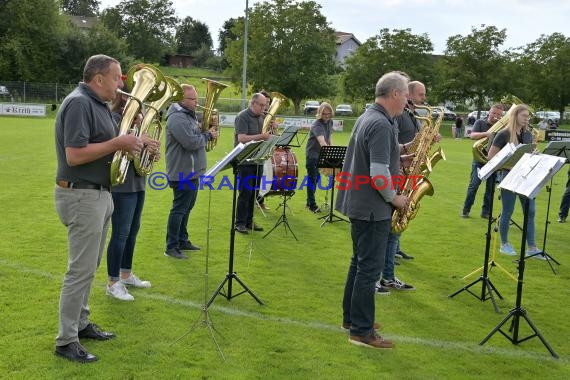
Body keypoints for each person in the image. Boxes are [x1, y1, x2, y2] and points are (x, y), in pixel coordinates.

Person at [54, 54, 143, 363]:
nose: (122, 84)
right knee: (79, 271)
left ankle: (81, 323)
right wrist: (119, 144)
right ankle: (66, 340)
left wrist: (138, 144)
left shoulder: (99, 105)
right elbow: (75, 155)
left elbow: (112, 145)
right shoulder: (79, 103)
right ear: (99, 78)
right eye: (118, 78)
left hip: (99, 194)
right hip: (81, 196)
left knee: (89, 268)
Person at [336, 71, 410, 349]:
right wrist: (395, 199)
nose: (406, 101)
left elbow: (376, 158)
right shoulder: (380, 124)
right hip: (371, 207)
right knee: (369, 269)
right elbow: (378, 173)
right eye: (405, 94)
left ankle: (352, 319)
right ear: (394, 94)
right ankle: (362, 331)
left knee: (359, 264)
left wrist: (400, 155)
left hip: (360, 204)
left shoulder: (369, 117)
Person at [376, 80, 432, 295]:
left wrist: (425, 140)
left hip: (405, 169)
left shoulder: (410, 114)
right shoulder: (390, 118)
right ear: (402, 94)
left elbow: (396, 146)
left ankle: (388, 276)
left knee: (395, 230)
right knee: (389, 230)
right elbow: (381, 158)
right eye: (420, 94)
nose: (423, 98)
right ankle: (382, 277)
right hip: (396, 175)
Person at [105, 87, 159, 301]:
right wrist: (141, 140)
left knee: (133, 231)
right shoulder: (115, 119)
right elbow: (115, 148)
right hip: (121, 183)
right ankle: (112, 281)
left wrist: (151, 152)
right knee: (120, 234)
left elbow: (140, 153)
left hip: (138, 182)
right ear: (123, 98)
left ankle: (125, 274)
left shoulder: (140, 122)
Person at [164, 84, 218, 259]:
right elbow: (190, 142)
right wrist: (208, 135)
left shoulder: (188, 115)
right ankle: (171, 246)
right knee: (179, 209)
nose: (197, 102)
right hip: (182, 172)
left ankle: (182, 240)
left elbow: (195, 135)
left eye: (196, 99)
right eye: (193, 99)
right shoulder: (177, 118)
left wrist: (206, 127)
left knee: (187, 207)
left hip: (192, 171)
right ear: (181, 99)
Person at [487, 104, 542, 259]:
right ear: (515, 116)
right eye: (524, 116)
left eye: (528, 116)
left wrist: (534, 155)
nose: (527, 119)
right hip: (508, 176)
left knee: (530, 212)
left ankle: (532, 247)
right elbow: (490, 158)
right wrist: (509, 157)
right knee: (508, 211)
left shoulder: (528, 135)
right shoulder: (503, 134)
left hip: (525, 177)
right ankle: (505, 244)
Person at [234, 93, 275, 234]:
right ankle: (239, 223)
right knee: (245, 193)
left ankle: (249, 221)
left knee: (254, 193)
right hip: (244, 160)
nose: (264, 108)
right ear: (253, 103)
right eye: (262, 105)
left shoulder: (262, 118)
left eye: (265, 105)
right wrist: (262, 136)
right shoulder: (242, 116)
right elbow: (242, 138)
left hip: (258, 160)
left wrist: (272, 130)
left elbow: (266, 137)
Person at [461, 104, 504, 219]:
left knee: (490, 189)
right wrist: (487, 134)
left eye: (498, 114)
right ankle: (466, 210)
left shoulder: (502, 128)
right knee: (473, 186)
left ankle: (486, 212)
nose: (495, 116)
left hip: (493, 161)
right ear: (489, 112)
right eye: (493, 113)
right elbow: (472, 135)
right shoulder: (480, 122)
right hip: (479, 159)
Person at [305, 102, 334, 213]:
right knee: (313, 178)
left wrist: (333, 151)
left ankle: (309, 202)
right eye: (324, 114)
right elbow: (322, 142)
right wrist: (330, 154)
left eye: (328, 113)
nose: (326, 116)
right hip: (312, 155)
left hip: (321, 154)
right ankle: (312, 204)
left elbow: (330, 138)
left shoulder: (330, 122)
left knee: (316, 178)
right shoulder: (317, 125)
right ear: (320, 113)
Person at [255, 90, 272, 211]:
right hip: (255, 150)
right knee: (254, 178)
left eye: (268, 103)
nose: (267, 106)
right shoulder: (257, 116)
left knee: (263, 177)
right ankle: (256, 201)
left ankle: (260, 200)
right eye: (265, 103)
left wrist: (273, 127)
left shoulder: (269, 115)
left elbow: (273, 135)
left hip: (266, 149)